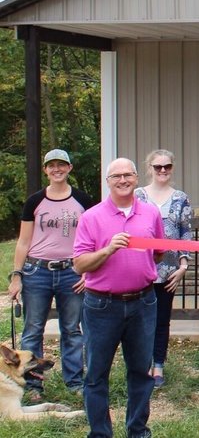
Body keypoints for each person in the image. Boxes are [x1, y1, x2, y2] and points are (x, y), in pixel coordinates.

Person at [73, 158, 164, 438]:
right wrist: (108, 250)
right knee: (96, 375)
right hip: (102, 305)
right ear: (108, 181)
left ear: (136, 178)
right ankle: (100, 433)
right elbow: (80, 264)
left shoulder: (151, 213)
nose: (123, 180)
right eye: (116, 176)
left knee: (140, 372)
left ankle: (138, 431)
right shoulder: (92, 217)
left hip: (143, 302)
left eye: (128, 175)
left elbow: (158, 251)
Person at [7, 148, 93, 400]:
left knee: (72, 329)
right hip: (37, 272)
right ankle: (33, 385)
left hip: (72, 271)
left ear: (69, 168)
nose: (57, 169)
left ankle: (74, 382)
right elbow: (23, 242)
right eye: (51, 165)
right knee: (33, 329)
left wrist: (87, 272)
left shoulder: (83, 200)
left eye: (62, 165)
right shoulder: (35, 201)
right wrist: (16, 276)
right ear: (45, 170)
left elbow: (93, 239)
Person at [134, 149, 192, 389]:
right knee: (139, 320)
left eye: (167, 166)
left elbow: (185, 233)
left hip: (168, 270)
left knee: (161, 321)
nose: (163, 171)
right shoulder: (138, 195)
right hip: (140, 269)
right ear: (150, 168)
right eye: (158, 167)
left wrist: (183, 265)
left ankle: (158, 364)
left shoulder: (180, 198)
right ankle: (141, 364)